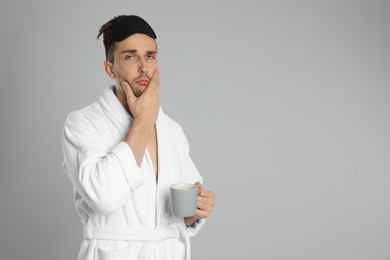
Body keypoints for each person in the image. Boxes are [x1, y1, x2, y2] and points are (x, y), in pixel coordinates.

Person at [61, 15, 215, 260]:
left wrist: (196, 211)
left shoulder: (172, 129)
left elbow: (178, 212)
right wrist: (144, 120)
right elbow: (104, 197)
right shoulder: (83, 123)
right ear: (110, 68)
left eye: (150, 56)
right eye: (131, 56)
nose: (144, 67)